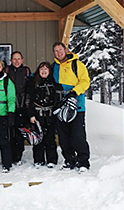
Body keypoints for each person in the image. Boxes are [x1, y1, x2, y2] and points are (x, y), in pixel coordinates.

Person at [51, 42, 91, 172]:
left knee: (77, 135)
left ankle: (83, 161)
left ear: (66, 50)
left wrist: (74, 91)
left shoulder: (77, 64)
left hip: (76, 105)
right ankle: (69, 160)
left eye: (60, 50)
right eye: (56, 51)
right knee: (64, 136)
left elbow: (85, 81)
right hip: (60, 106)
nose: (58, 53)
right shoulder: (54, 67)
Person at [27, 62, 58, 168]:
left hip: (50, 114)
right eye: (41, 69)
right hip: (37, 114)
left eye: (46, 69)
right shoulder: (33, 82)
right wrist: (31, 115)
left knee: (50, 138)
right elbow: (29, 100)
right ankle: (38, 160)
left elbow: (57, 98)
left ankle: (51, 160)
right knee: (38, 138)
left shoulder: (53, 82)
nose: (43, 71)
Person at [4, 51, 32, 166]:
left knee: (20, 133)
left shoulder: (26, 71)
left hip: (22, 107)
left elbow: (30, 88)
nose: (16, 61)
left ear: (22, 60)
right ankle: (9, 156)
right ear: (10, 60)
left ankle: (18, 156)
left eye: (18, 59)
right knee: (10, 133)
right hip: (9, 107)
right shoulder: (6, 71)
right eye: (14, 59)